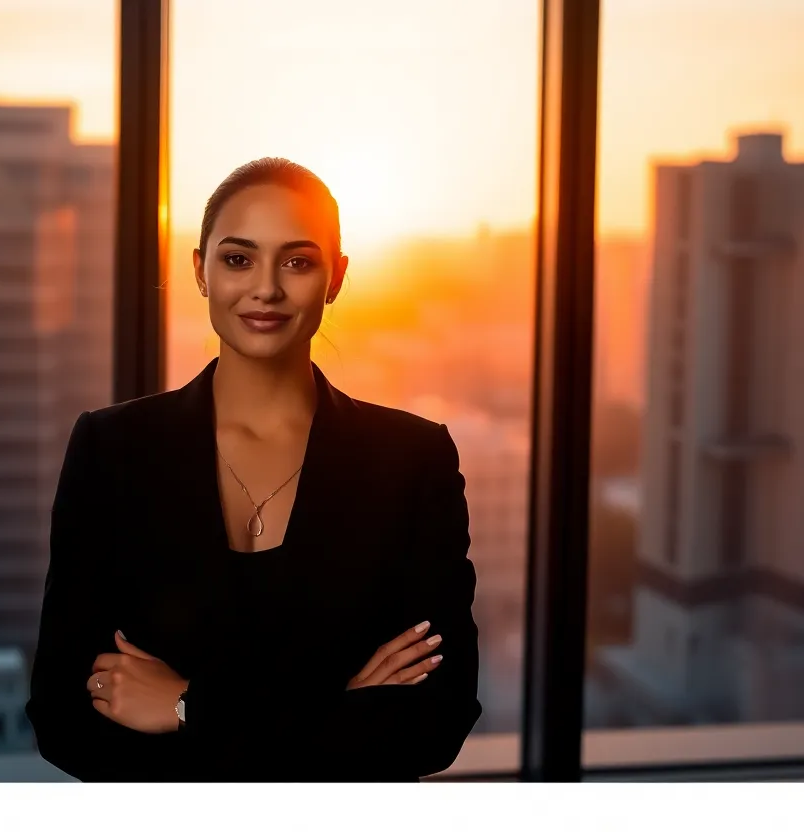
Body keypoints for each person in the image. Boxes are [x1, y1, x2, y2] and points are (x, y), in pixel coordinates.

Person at [26, 158, 482, 782]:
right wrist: (337, 708)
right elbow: (63, 718)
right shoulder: (110, 450)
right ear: (200, 271)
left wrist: (187, 707)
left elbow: (435, 723)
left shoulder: (413, 460)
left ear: (336, 277)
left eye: (297, 262)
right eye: (238, 259)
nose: (266, 288)